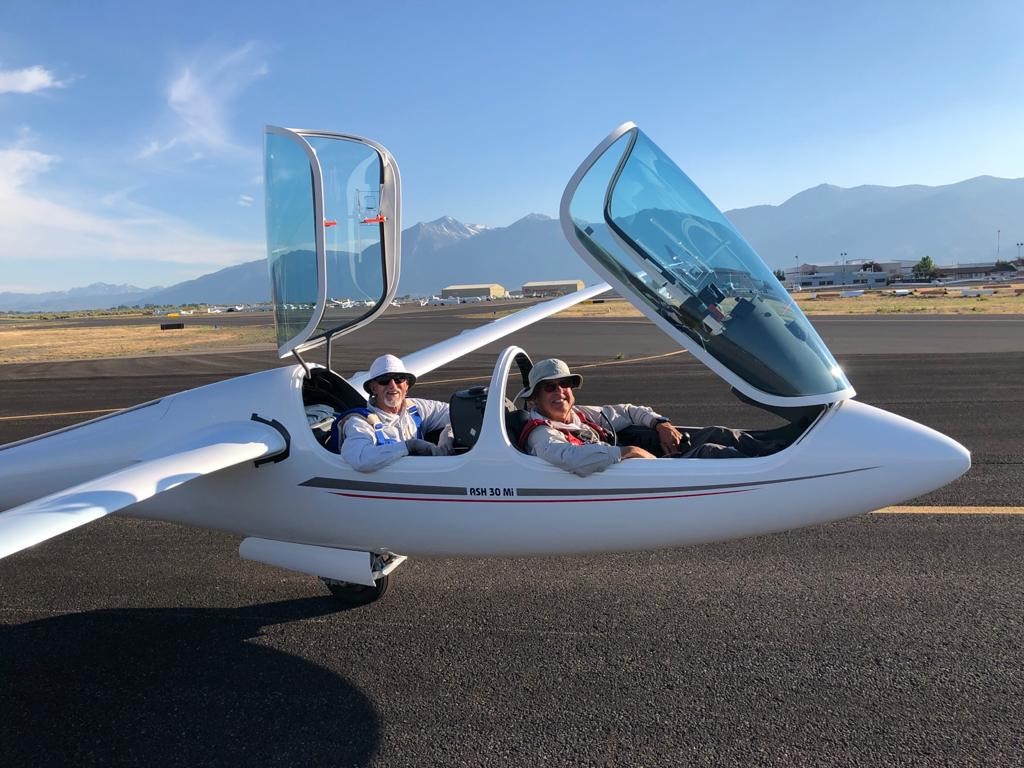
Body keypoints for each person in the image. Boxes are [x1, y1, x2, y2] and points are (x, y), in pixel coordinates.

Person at [516, 358, 778, 477]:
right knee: (710, 451)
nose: (560, 392)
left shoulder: (582, 415)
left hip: (647, 465)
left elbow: (628, 410)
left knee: (716, 432)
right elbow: (569, 458)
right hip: (631, 475)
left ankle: (778, 453)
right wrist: (627, 451)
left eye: (565, 385)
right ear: (535, 398)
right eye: (550, 387)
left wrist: (659, 423)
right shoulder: (541, 433)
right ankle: (771, 472)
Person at [339, 354, 453, 472]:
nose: (393, 386)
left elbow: (458, 414)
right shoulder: (360, 422)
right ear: (374, 388)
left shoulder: (415, 408)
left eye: (399, 379)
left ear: (406, 385)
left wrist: (448, 431)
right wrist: (410, 445)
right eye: (384, 380)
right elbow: (361, 459)